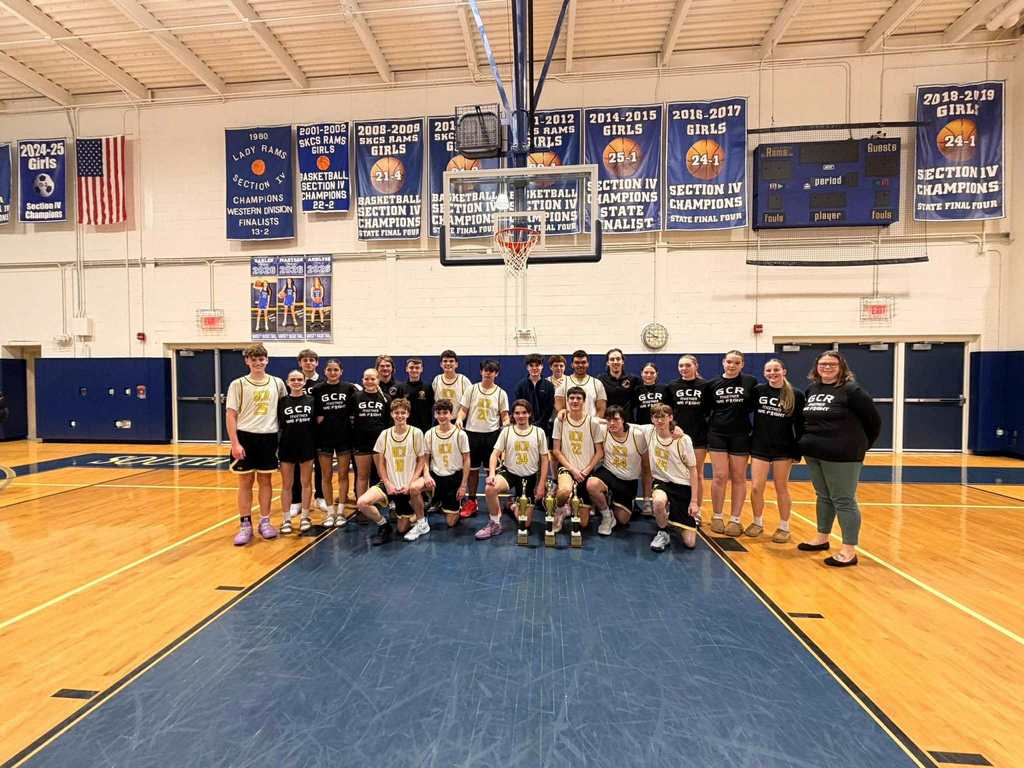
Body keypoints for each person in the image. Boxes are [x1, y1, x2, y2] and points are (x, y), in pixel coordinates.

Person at [797, 351, 881, 567]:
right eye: (822, 364)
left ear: (841, 366)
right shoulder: (813, 389)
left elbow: (873, 422)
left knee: (844, 500)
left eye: (832, 364)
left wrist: (859, 446)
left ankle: (848, 550)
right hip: (815, 452)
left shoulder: (852, 391)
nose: (826, 367)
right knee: (823, 496)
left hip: (843, 455)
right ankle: (822, 538)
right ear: (816, 367)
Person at [226, 344, 287, 545]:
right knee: (245, 482)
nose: (258, 362)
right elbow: (231, 414)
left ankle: (265, 521)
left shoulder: (277, 383)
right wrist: (235, 443)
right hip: (245, 437)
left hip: (269, 437)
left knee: (266, 482)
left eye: (261, 359)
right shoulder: (238, 384)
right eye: (254, 359)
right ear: (247, 361)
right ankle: (245, 525)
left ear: (267, 360)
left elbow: (283, 412)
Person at [354, 398, 428, 545]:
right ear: (392, 414)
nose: (400, 416)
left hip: (407, 485)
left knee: (401, 530)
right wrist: (387, 483)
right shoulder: (385, 434)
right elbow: (380, 463)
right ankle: (383, 525)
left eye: (403, 413)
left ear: (408, 414)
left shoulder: (416, 433)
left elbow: (421, 460)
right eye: (396, 413)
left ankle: (418, 515)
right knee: (362, 502)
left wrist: (412, 482)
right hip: (390, 484)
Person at [749, 359, 805, 542]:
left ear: (784, 371)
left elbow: (800, 424)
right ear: (764, 373)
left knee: (781, 487)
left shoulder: (795, 394)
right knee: (757, 487)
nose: (772, 373)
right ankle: (757, 522)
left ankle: (784, 526)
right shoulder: (758, 391)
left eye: (776, 369)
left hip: (784, 448)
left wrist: (798, 450)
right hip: (760, 446)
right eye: (768, 370)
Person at [478, 399, 549, 540]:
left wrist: (541, 485)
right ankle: (495, 523)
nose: (520, 416)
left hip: (529, 477)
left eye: (524, 413)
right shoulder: (507, 431)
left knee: (526, 523)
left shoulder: (538, 432)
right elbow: (494, 455)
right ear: (513, 415)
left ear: (529, 414)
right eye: (517, 413)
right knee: (490, 488)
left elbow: (545, 460)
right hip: (509, 473)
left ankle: (512, 506)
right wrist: (492, 474)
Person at [706, 350, 757, 537]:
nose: (732, 365)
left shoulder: (750, 382)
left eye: (736, 362)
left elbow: (753, 406)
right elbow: (706, 410)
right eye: (729, 362)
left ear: (742, 364)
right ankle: (717, 515)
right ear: (723, 362)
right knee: (719, 476)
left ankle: (735, 519)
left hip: (741, 434)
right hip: (717, 433)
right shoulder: (712, 384)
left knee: (738, 477)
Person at [455, 360, 510, 518]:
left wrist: (506, 425)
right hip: (472, 434)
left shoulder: (501, 393)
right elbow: (463, 410)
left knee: (491, 472)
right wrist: (459, 419)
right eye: (485, 370)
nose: (488, 373)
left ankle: (492, 503)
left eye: (491, 371)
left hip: (492, 436)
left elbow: (504, 416)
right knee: (472, 471)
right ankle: (472, 501)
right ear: (481, 372)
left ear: (496, 374)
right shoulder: (471, 390)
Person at [587, 405, 652, 536]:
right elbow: (588, 419)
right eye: (609, 420)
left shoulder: (637, 435)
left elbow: (646, 468)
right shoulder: (603, 430)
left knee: (622, 520)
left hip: (628, 481)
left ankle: (611, 501)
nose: (612, 423)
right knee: (592, 484)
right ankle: (606, 516)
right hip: (608, 472)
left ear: (623, 420)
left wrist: (646, 500)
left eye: (616, 419)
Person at [551, 386, 606, 532]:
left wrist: (586, 470)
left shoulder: (592, 423)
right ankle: (560, 509)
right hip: (567, 468)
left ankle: (576, 502)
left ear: (584, 401)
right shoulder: (560, 421)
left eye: (578, 398)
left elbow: (600, 452)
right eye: (572, 398)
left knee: (583, 524)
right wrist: (573, 469)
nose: (575, 401)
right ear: (567, 401)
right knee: (564, 491)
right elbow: (556, 450)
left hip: (586, 472)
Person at [312, 359, 359, 527]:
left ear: (341, 371)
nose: (333, 372)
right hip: (324, 437)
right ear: (325, 371)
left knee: (343, 475)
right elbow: (313, 411)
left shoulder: (349, 388)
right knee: (326, 476)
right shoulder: (317, 389)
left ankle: (340, 512)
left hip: (344, 436)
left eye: (336, 370)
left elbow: (355, 409)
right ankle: (330, 512)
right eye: (330, 370)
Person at [647, 404, 701, 552]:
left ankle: (672, 517)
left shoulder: (683, 440)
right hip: (662, 482)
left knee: (690, 543)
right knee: (658, 502)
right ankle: (663, 531)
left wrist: (694, 502)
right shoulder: (649, 432)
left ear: (671, 417)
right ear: (652, 419)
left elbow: (693, 470)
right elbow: (623, 424)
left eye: (663, 416)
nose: (659, 420)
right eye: (656, 417)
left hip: (682, 485)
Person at [666, 355, 709, 522]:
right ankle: (673, 508)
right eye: (681, 365)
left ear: (695, 366)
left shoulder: (705, 386)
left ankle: (696, 510)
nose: (684, 368)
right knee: (674, 473)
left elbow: (711, 410)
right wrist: (672, 428)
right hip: (676, 436)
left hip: (698, 436)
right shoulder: (672, 386)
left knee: (697, 473)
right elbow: (668, 411)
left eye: (687, 365)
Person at [289, 349, 327, 518]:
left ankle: (320, 496)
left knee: (321, 466)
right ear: (300, 363)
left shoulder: (324, 382)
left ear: (317, 363)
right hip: (299, 433)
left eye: (312, 360)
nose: (308, 363)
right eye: (305, 360)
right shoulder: (295, 381)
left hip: (319, 432)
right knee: (297, 467)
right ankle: (296, 500)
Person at [422, 399, 471, 528]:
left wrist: (463, 486)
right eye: (438, 413)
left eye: (445, 413)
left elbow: (466, 460)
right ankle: (427, 505)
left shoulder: (460, 434)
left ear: (451, 414)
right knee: (414, 488)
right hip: (435, 477)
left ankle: (451, 503)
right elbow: (425, 459)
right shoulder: (429, 434)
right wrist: (426, 475)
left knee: (450, 523)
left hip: (453, 478)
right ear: (435, 415)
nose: (442, 416)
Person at [277, 370, 316, 535]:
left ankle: (305, 516)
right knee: (287, 484)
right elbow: (277, 424)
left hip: (306, 445)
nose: (296, 382)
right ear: (287, 382)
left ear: (304, 382)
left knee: (306, 482)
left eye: (300, 379)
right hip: (287, 446)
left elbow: (317, 422)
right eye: (293, 379)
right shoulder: (282, 402)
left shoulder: (312, 400)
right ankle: (286, 519)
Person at [351, 368, 391, 504]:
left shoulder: (385, 398)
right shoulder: (356, 397)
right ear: (362, 380)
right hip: (360, 442)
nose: (369, 381)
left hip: (379, 443)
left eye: (372, 378)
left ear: (378, 380)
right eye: (366, 378)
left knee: (383, 475)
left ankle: (390, 503)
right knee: (362, 476)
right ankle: (361, 505)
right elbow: (351, 419)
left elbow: (388, 422)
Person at [514, 354, 555, 444]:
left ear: (542, 366)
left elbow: (549, 409)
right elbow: (518, 408)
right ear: (527, 367)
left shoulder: (549, 386)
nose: (534, 368)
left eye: (537, 365)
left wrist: (539, 424)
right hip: (524, 428)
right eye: (531, 366)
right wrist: (528, 424)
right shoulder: (520, 386)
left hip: (543, 429)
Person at [554, 350, 607, 418]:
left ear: (588, 364)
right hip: (569, 427)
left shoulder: (597, 383)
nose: (580, 365)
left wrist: (594, 424)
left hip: (591, 425)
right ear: (572, 365)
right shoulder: (562, 383)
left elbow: (601, 409)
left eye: (583, 362)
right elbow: (560, 409)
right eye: (577, 362)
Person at [599, 348, 640, 415]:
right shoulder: (601, 379)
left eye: (618, 359)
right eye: (612, 359)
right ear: (607, 363)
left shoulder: (633, 379)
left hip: (628, 420)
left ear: (622, 361)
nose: (615, 362)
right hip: (609, 420)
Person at [634, 362, 667, 426]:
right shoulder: (636, 390)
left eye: (652, 373)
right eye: (646, 372)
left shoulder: (664, 389)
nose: (649, 375)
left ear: (656, 374)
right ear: (641, 373)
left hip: (660, 425)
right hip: (642, 426)